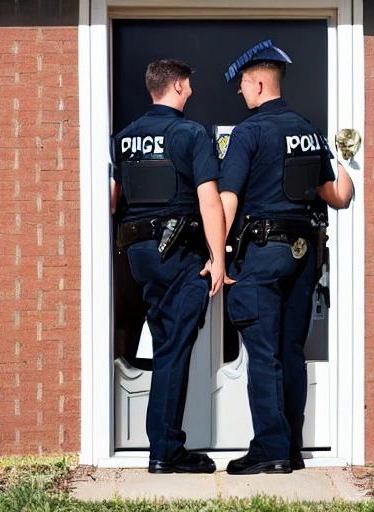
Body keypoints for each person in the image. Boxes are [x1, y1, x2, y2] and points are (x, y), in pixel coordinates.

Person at [219, 40, 354, 475]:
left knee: (262, 353)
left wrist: (216, 258)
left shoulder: (249, 133)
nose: (241, 93)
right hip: (304, 256)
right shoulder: (308, 131)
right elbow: (339, 195)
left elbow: (227, 200)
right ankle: (291, 449)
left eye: (243, 84)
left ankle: (270, 451)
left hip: (261, 254)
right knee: (290, 351)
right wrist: (344, 156)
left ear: (259, 83)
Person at [110, 59, 225, 474]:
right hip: (179, 255)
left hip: (140, 256)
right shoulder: (191, 134)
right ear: (176, 86)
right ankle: (165, 450)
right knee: (175, 348)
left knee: (165, 344)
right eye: (189, 85)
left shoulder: (123, 140)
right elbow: (209, 201)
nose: (192, 92)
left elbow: (111, 201)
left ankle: (162, 442)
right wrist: (218, 259)